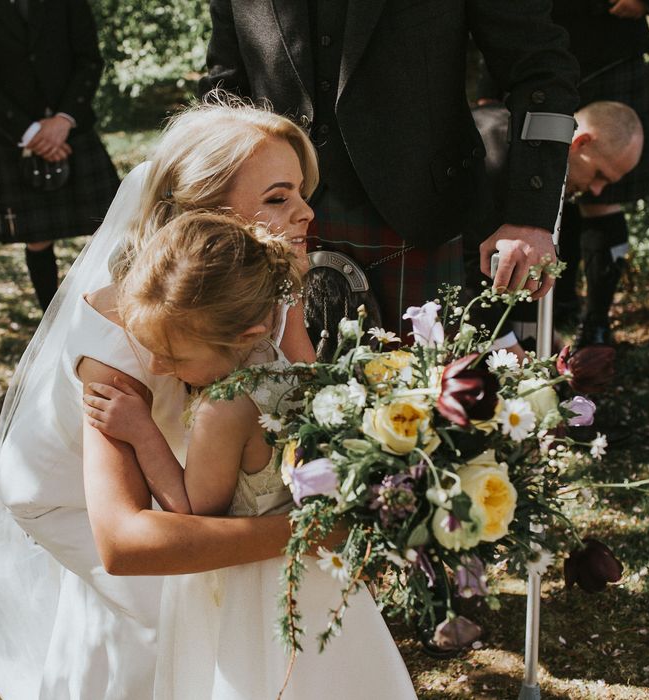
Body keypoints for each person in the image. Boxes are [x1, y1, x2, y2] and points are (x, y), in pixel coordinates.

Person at [0, 100, 320, 699]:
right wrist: (302, 534)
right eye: (277, 198)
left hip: (188, 470)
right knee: (169, 621)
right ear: (204, 213)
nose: (304, 212)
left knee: (223, 604)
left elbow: (304, 382)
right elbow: (125, 540)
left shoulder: (267, 272)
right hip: (75, 501)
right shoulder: (120, 336)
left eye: (300, 191)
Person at [82, 211, 417, 699]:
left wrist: (142, 432)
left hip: (253, 590)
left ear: (243, 334)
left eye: (173, 358)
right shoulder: (285, 365)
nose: (155, 367)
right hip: (313, 577)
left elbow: (194, 511)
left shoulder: (226, 408)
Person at [200, 0, 581, 337]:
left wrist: (530, 217)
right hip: (268, 220)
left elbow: (539, 69)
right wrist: (206, 207)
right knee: (273, 407)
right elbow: (224, 86)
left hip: (419, 218)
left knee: (420, 409)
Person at [0, 0, 120, 311]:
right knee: (38, 238)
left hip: (74, 127)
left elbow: (89, 59)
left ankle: (104, 314)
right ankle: (50, 319)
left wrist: (63, 121)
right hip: (15, 135)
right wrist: (30, 133)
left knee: (105, 229)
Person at [470, 100, 644, 348]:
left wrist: (547, 340)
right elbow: (466, 266)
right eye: (599, 175)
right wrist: (509, 351)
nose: (597, 191)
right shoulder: (498, 157)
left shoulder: (550, 167)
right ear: (581, 142)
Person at [550, 0, 649, 345]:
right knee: (556, 186)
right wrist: (488, 81)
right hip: (540, 47)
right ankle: (559, 304)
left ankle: (596, 324)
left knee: (602, 191)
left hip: (609, 43)